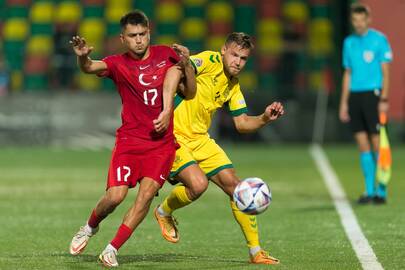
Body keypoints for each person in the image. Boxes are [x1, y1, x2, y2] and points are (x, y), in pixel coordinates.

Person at [68, 10, 196, 267]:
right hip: (129, 142)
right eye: (133, 36)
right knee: (115, 196)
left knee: (146, 196)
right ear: (123, 38)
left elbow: (190, 93)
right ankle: (90, 227)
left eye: (142, 34)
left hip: (161, 145)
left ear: (149, 32)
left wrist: (186, 65)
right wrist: (83, 58)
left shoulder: (167, 55)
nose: (139, 40)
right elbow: (91, 68)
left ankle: (112, 249)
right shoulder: (118, 63)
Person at [154, 32, 284, 265]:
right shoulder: (210, 60)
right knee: (198, 185)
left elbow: (242, 124)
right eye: (234, 55)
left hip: (201, 139)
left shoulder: (233, 86)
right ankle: (164, 212)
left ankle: (255, 252)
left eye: (243, 59)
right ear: (223, 51)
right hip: (175, 136)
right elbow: (181, 67)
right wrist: (184, 62)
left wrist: (264, 117)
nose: (237, 62)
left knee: (238, 188)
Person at [339, 3, 392, 204]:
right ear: (352, 21)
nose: (359, 24)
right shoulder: (349, 42)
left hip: (374, 95)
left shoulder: (379, 40)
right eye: (355, 21)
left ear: (368, 20)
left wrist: (384, 99)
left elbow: (386, 72)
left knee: (378, 143)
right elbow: (348, 73)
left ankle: (382, 190)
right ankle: (369, 191)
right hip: (355, 97)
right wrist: (344, 103)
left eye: (362, 20)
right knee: (363, 145)